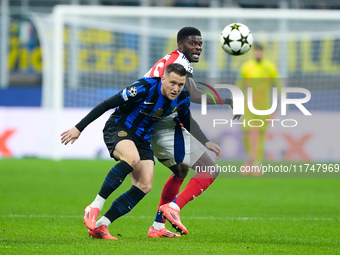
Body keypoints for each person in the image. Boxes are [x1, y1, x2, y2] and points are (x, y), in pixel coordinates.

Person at [61, 63, 222, 240]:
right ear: (163, 79)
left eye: (180, 84)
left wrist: (205, 141)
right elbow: (107, 104)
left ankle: (101, 225)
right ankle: (94, 206)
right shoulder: (143, 88)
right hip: (119, 127)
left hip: (143, 138)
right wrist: (78, 128)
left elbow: (186, 118)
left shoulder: (182, 97)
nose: (176, 88)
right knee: (132, 158)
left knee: (145, 185)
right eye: (172, 83)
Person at [142, 27, 239, 237]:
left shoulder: (174, 60)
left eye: (200, 44)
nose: (198, 47)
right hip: (162, 125)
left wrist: (204, 140)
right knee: (210, 170)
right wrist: (229, 101)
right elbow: (194, 95)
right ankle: (173, 208)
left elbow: (185, 106)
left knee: (180, 171)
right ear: (180, 44)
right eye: (193, 43)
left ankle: (157, 227)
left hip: (154, 123)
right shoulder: (179, 64)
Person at [236, 43, 283, 169]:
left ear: (263, 52)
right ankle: (250, 155)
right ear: (253, 52)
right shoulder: (246, 67)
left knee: (261, 134)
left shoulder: (270, 67)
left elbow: (278, 85)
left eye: (260, 51)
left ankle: (257, 161)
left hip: (264, 106)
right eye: (256, 51)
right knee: (245, 132)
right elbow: (239, 84)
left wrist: (281, 101)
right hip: (248, 105)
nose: (258, 53)